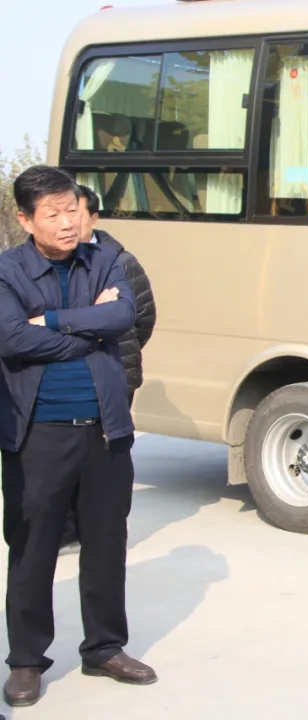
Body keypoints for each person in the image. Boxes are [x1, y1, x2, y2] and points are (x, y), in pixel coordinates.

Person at [0, 167, 157, 708]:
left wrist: (50, 322)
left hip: (106, 431)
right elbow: (10, 337)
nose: (68, 223)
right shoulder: (8, 271)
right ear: (26, 219)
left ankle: (104, 648)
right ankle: (26, 661)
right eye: (53, 214)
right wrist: (87, 331)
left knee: (107, 543)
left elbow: (123, 314)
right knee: (33, 548)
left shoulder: (105, 257)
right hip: (38, 435)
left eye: (73, 210)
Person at [57, 185, 157, 555]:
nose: (68, 223)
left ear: (94, 218)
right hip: (68, 374)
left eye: (76, 214)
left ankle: (105, 531)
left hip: (116, 375)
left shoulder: (121, 262)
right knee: (65, 455)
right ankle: (68, 532)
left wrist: (118, 352)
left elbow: (144, 318)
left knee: (110, 457)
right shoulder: (54, 262)